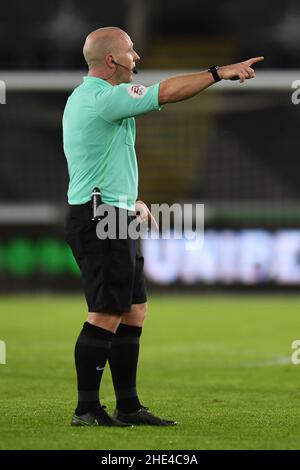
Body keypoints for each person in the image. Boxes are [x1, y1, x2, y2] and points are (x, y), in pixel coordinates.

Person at [63, 26, 263, 427]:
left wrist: (131, 199)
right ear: (111, 60)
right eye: (131, 51)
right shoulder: (102, 98)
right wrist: (216, 73)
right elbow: (166, 93)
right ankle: (86, 409)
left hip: (115, 211)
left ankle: (128, 405)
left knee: (134, 310)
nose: (136, 57)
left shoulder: (97, 101)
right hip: (100, 217)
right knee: (106, 311)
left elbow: (103, 158)